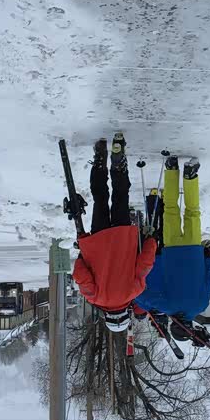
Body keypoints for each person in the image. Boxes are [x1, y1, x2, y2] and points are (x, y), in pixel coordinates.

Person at [72, 134, 156, 332]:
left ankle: (118, 164)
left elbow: (145, 263)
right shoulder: (94, 297)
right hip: (98, 240)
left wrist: (151, 241)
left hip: (123, 237)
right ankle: (99, 160)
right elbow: (80, 273)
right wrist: (82, 255)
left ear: (126, 314)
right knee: (100, 199)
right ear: (107, 317)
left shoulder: (134, 291)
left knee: (120, 197)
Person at [136, 155, 210, 343]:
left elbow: (208, 279)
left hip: (194, 251)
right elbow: (140, 296)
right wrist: (149, 309)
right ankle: (171, 169)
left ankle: (190, 176)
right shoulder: (166, 306)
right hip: (171, 251)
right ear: (173, 325)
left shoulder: (201, 305)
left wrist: (208, 257)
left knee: (193, 211)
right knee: (170, 209)